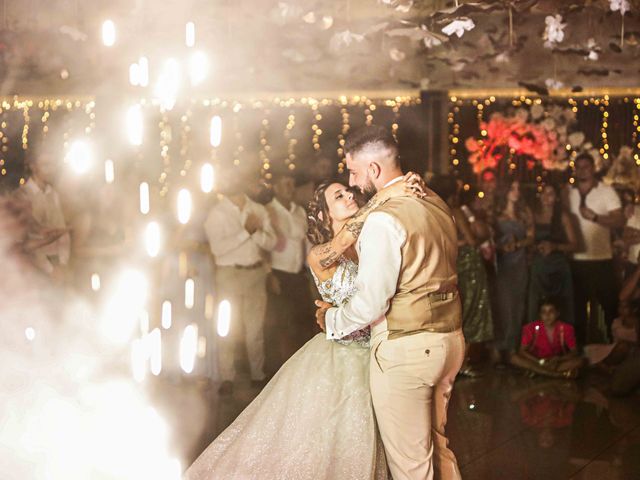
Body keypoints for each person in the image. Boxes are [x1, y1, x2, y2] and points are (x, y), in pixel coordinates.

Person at [184, 173, 425, 480]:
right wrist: (389, 192)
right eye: (339, 196)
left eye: (349, 192)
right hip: (343, 356)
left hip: (381, 348)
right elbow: (342, 241)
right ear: (324, 215)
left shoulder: (370, 244)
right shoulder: (321, 254)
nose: (350, 196)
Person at [315, 125, 464, 480]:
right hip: (450, 340)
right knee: (438, 448)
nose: (352, 182)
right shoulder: (434, 201)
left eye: (353, 171)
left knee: (412, 465)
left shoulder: (383, 219)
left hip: (407, 348)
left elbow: (371, 303)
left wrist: (332, 321)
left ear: (374, 170)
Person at [204, 174, 277, 395]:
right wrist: (246, 231)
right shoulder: (216, 214)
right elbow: (218, 249)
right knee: (227, 326)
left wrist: (256, 234)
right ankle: (227, 376)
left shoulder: (258, 209)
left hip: (255, 273)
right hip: (229, 275)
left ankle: (258, 375)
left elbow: (272, 242)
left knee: (255, 329)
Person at [430, 176, 493, 378]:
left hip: (446, 264)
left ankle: (447, 365)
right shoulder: (456, 211)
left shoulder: (433, 212)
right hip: (467, 263)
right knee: (472, 310)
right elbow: (472, 240)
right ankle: (461, 363)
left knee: (453, 311)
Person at [569, 152, 625, 344]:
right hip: (576, 261)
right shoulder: (569, 192)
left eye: (586, 166)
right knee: (577, 310)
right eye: (579, 167)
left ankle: (613, 349)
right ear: (575, 170)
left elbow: (619, 220)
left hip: (601, 259)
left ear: (593, 168)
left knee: (610, 306)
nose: (583, 170)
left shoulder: (606, 191)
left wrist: (596, 218)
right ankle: (581, 353)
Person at [264, 171, 314, 374]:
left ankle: (300, 370)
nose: (290, 188)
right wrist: (269, 274)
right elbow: (263, 245)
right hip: (279, 274)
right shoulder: (267, 211)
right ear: (275, 187)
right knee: (279, 325)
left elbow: (307, 243)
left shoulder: (299, 211)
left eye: (292, 184)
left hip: (298, 274)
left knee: (302, 322)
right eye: (285, 183)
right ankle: (275, 372)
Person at [493, 179, 534, 361]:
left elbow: (531, 238)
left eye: (518, 188)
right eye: (512, 188)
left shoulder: (525, 212)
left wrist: (517, 244)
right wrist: (499, 247)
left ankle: (511, 347)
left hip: (519, 261)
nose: (516, 191)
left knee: (518, 303)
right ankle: (496, 347)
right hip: (501, 263)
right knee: (502, 304)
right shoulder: (495, 212)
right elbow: (487, 236)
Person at [528, 183, 578, 324]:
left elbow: (575, 245)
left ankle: (562, 342)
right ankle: (536, 342)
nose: (546, 197)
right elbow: (530, 240)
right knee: (535, 304)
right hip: (539, 267)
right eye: (543, 193)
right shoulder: (534, 215)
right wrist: (533, 248)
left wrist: (555, 246)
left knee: (563, 306)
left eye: (550, 194)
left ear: (556, 198)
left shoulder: (562, 216)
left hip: (558, 268)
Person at [510, 298, 583, 379]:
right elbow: (522, 351)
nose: (547, 315)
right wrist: (539, 362)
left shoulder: (566, 328)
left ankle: (537, 372)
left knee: (580, 361)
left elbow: (575, 351)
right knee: (514, 358)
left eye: (551, 311)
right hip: (536, 361)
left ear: (557, 313)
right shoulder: (530, 328)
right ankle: (556, 375)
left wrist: (558, 359)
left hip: (555, 362)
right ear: (540, 315)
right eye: (543, 312)